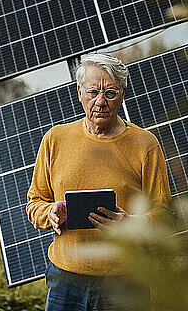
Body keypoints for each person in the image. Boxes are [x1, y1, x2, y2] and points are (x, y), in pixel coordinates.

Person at [26, 53, 173, 311]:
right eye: (93, 92)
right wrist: (50, 213)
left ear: (123, 94)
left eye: (111, 93)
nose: (100, 102)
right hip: (65, 280)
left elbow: (164, 216)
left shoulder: (145, 145)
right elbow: (34, 202)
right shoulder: (55, 140)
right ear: (80, 92)